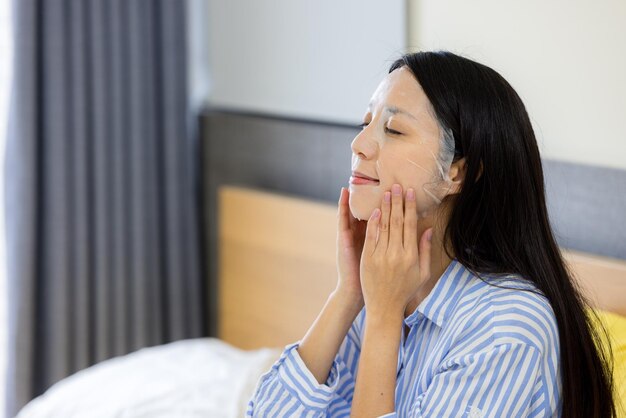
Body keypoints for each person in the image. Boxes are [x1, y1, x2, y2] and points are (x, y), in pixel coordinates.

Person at [246, 51, 616, 417]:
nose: (358, 145)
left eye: (393, 130)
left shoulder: (506, 325)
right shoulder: (382, 288)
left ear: (457, 173)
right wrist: (349, 294)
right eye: (366, 123)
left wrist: (383, 317)